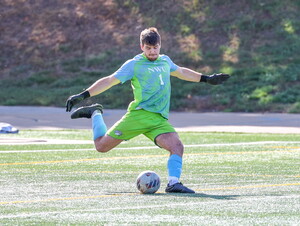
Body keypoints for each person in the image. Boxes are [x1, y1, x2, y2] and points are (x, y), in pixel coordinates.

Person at [66, 27, 230, 193]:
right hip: (139, 116)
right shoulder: (134, 64)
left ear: (160, 45)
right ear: (141, 47)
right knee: (101, 146)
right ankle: (96, 113)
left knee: (177, 147)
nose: (152, 51)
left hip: (159, 119)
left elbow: (181, 72)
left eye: (155, 47)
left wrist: (206, 79)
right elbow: (109, 81)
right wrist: (83, 94)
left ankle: (173, 183)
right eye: (148, 48)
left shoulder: (165, 61)